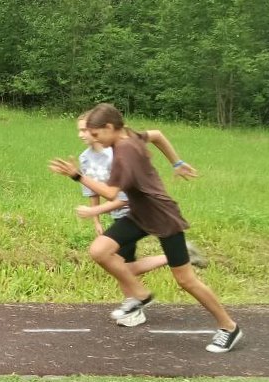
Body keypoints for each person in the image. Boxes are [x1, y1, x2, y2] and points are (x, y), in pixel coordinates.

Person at [50, 103, 242, 353]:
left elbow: (111, 193)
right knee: (99, 250)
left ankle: (229, 327)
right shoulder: (130, 135)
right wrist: (177, 163)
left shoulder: (124, 153)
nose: (94, 139)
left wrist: (77, 175)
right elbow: (158, 135)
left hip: (162, 217)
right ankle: (140, 295)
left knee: (186, 280)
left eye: (96, 134)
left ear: (109, 127)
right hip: (139, 215)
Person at [75, 112, 207, 275]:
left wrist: (177, 163)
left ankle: (178, 258)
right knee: (124, 267)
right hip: (119, 214)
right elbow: (92, 191)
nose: (81, 134)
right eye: (80, 130)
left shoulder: (119, 150)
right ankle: (180, 256)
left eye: (85, 130)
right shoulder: (85, 158)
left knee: (122, 267)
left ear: (103, 128)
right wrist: (96, 220)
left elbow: (120, 197)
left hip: (134, 212)